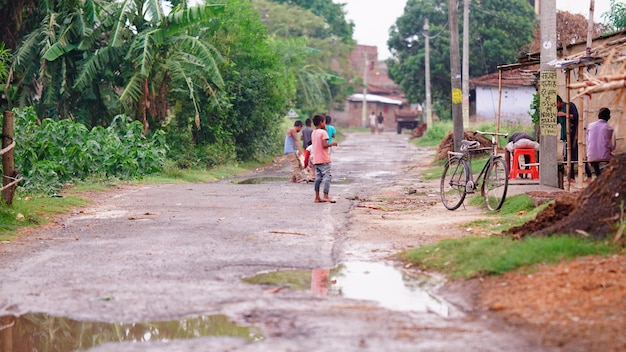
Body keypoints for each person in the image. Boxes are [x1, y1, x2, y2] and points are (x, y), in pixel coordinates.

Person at [556, 95, 591, 181]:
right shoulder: (558, 111)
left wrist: (564, 114)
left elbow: (575, 116)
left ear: (558, 102)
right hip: (565, 136)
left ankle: (589, 174)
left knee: (579, 155)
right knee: (567, 156)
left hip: (574, 135)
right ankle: (571, 177)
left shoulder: (569, 105)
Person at [311, 114, 338, 203]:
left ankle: (317, 197)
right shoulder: (323, 132)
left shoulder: (314, 132)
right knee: (327, 176)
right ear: (321, 122)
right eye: (324, 122)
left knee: (318, 177)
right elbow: (324, 144)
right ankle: (326, 195)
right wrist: (333, 144)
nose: (325, 124)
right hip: (324, 158)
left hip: (316, 159)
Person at [586, 107, 616, 178]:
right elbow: (613, 146)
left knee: (594, 160)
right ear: (609, 117)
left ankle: (598, 175)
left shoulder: (590, 126)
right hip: (604, 156)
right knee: (615, 159)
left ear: (598, 116)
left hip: (591, 156)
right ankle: (607, 177)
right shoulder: (610, 128)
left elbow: (587, 141)